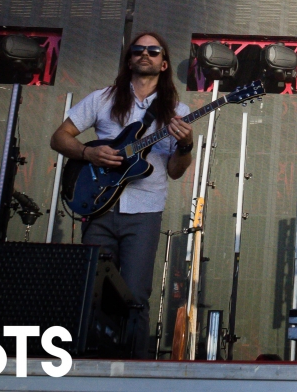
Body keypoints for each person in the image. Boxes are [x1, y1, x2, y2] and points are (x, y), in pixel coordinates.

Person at [49, 32, 193, 358]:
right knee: (93, 292)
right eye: (138, 49)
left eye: (153, 50)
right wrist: (88, 153)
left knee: (135, 296)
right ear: (129, 59)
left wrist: (185, 145)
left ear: (164, 63)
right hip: (99, 207)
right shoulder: (102, 99)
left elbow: (175, 170)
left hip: (144, 212)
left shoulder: (176, 110)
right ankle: (86, 365)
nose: (145, 54)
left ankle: (133, 369)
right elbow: (59, 138)